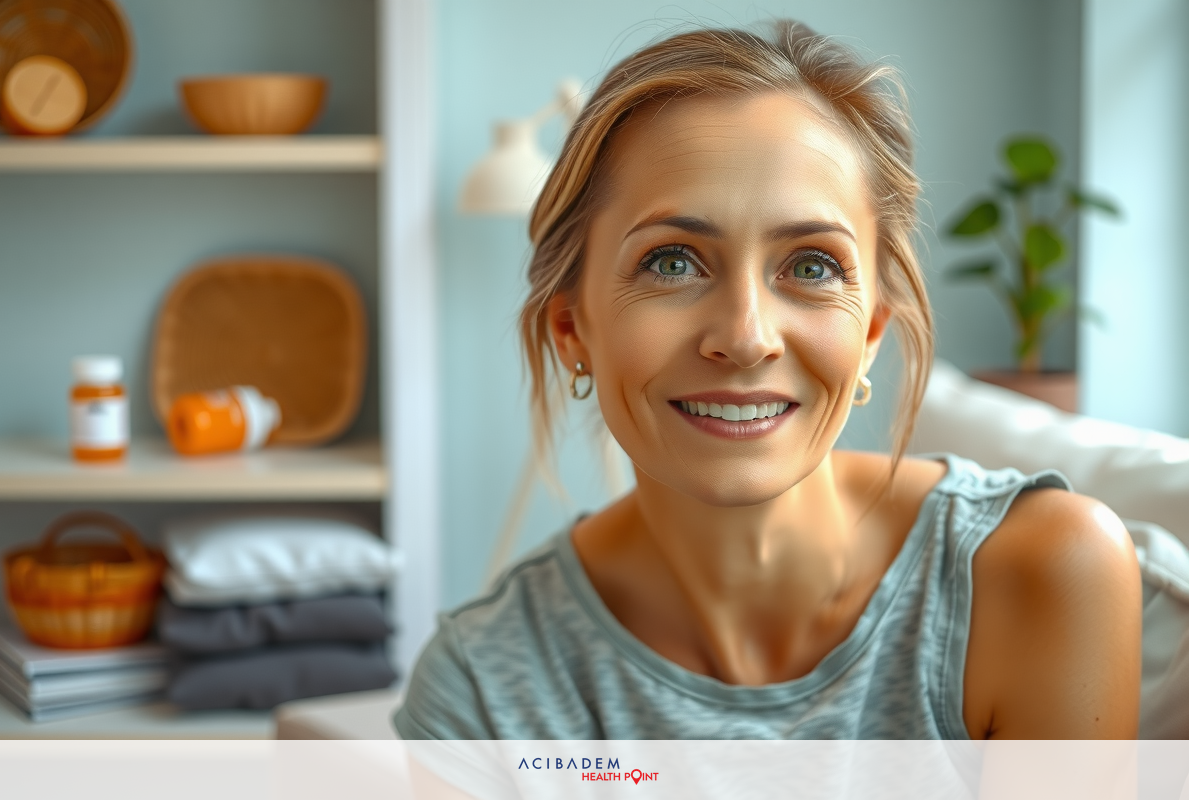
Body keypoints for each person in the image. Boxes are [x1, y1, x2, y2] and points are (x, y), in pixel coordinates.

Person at [396, 20, 1141, 741]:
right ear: (573, 331)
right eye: (671, 261)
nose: (747, 337)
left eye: (812, 266)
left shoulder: (1042, 575)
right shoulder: (482, 689)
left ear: (871, 332)